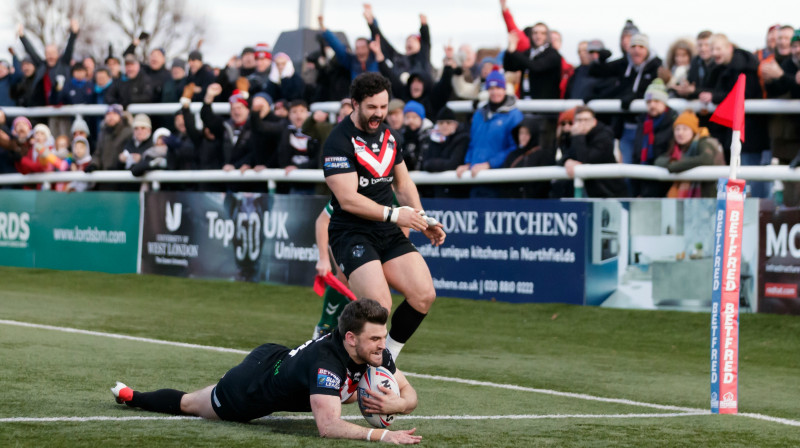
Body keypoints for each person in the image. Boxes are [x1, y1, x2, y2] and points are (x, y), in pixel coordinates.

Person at [111, 298, 422, 444]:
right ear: (351, 338)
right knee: (191, 404)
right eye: (376, 338)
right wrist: (382, 436)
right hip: (248, 388)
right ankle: (132, 396)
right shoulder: (327, 364)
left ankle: (132, 395)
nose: (383, 345)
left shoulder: (373, 351)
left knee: (344, 394)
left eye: (383, 337)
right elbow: (328, 427)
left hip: (277, 356)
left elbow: (409, 392)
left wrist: (400, 404)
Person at [322, 72, 445, 361]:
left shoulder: (391, 137)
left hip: (386, 230)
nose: (378, 114)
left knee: (424, 294)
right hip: (352, 232)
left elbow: (403, 184)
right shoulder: (338, 141)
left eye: (383, 107)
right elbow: (348, 199)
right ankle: (328, 360)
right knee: (380, 307)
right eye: (371, 108)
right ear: (355, 104)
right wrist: (395, 215)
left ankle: (385, 361)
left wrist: (423, 219)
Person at [456, 70, 523, 198]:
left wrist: (490, 164)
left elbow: (514, 149)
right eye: (491, 88)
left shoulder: (514, 116)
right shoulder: (479, 115)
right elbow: (473, 143)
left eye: (498, 87)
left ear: (504, 89)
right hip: (475, 180)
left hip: (499, 182)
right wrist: (468, 162)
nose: (494, 92)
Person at [557, 106, 629, 198]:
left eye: (586, 120)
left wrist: (579, 137)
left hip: (610, 192)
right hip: (589, 190)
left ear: (594, 121)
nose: (582, 124)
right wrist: (566, 161)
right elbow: (564, 156)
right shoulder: (573, 135)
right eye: (579, 120)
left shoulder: (604, 136)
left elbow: (586, 159)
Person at [655, 109, 724, 198]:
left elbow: (706, 159)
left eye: (685, 129)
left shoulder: (704, 141)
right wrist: (673, 162)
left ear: (693, 131)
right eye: (677, 129)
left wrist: (676, 165)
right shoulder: (676, 147)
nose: (680, 133)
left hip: (709, 196)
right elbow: (659, 160)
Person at [631, 79, 677, 197]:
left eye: (656, 101)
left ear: (664, 102)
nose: (652, 105)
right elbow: (637, 154)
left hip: (665, 181)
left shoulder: (674, 123)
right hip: (644, 180)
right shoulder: (643, 122)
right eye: (649, 102)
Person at [419, 107, 470, 198]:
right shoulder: (432, 139)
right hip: (436, 190)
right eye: (441, 123)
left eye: (448, 122)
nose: (444, 125)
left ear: (455, 124)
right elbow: (425, 163)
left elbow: (453, 163)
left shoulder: (463, 138)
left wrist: (432, 164)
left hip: (457, 191)